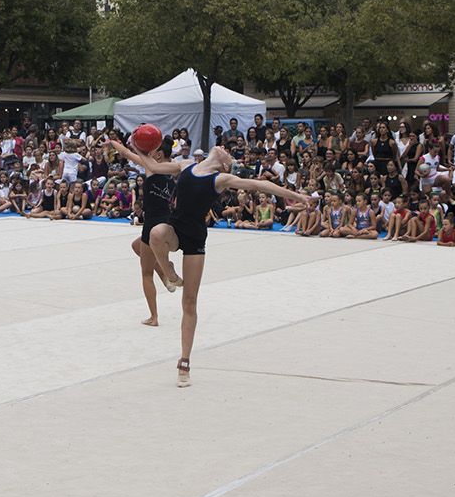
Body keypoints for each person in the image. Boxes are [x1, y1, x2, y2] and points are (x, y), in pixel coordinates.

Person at [144, 146, 311, 387]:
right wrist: (135, 147)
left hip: (195, 238)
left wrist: (297, 196)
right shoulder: (186, 164)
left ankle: (184, 361)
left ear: (224, 164)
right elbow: (152, 166)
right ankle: (169, 272)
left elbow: (259, 185)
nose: (222, 148)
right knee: (155, 233)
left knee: (189, 302)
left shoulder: (221, 178)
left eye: (226, 153)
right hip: (175, 229)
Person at [106, 132, 176, 327]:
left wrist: (114, 142)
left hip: (152, 223)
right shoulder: (173, 171)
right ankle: (165, 272)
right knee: (136, 246)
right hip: (167, 223)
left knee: (146, 274)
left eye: (152, 151)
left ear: (159, 155)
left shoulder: (152, 169)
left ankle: (154, 317)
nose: (149, 155)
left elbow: (128, 154)